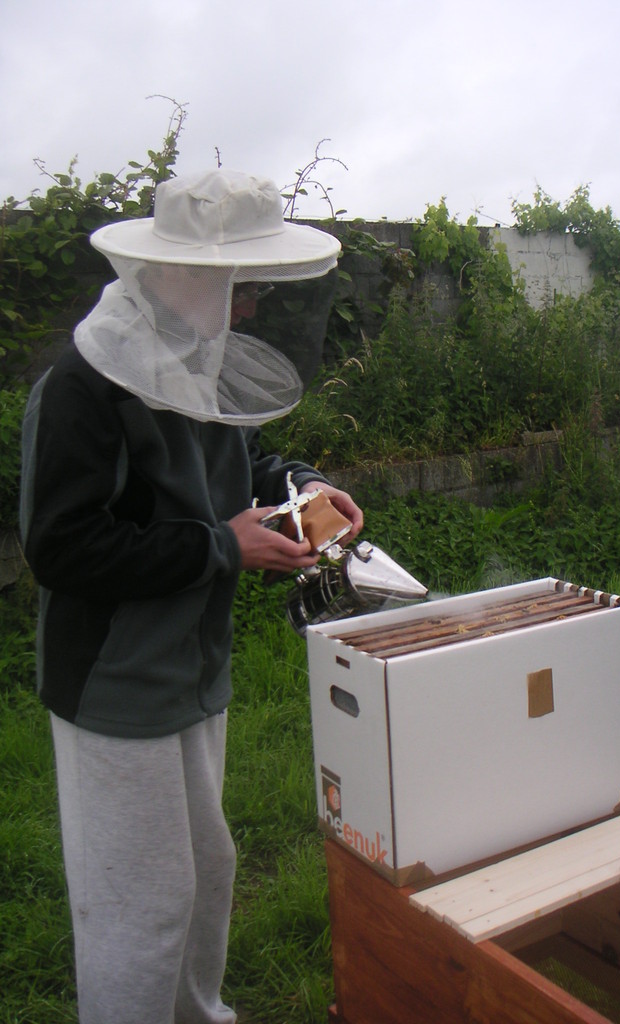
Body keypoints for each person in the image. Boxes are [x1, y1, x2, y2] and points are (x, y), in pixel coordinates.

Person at [19, 169, 363, 1024]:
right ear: (181, 273)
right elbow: (61, 547)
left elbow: (243, 462)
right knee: (139, 905)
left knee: (206, 873)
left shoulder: (192, 355)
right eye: (241, 285)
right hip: (115, 684)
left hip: (191, 667)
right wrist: (222, 546)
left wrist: (305, 487)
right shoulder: (82, 387)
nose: (251, 305)